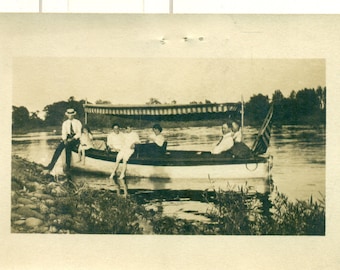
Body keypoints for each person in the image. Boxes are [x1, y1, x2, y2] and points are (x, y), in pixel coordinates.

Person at [43, 108, 82, 173]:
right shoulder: (65, 123)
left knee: (68, 147)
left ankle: (68, 167)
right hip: (67, 138)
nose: (70, 116)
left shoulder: (78, 122)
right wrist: (64, 140)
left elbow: (79, 133)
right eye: (69, 115)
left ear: (74, 115)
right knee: (59, 148)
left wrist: (72, 139)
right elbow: (64, 133)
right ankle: (51, 166)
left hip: (75, 139)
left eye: (72, 115)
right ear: (67, 115)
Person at [109, 125, 140, 197]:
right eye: (126, 128)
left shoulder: (135, 134)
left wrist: (134, 143)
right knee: (118, 158)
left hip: (130, 149)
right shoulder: (124, 135)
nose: (127, 129)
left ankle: (122, 174)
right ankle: (113, 173)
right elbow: (120, 140)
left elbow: (138, 141)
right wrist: (115, 147)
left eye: (128, 128)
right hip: (124, 148)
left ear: (131, 128)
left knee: (125, 159)